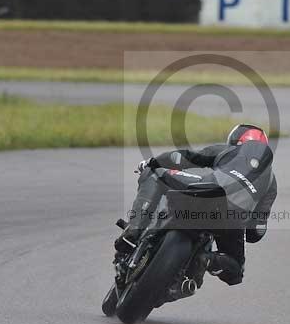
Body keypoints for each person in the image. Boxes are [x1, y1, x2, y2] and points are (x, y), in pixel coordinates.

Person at [114, 124, 277, 289]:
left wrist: (154, 162)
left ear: (235, 140)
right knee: (235, 271)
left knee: (153, 173)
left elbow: (184, 157)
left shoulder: (227, 150)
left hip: (206, 193)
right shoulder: (271, 182)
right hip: (233, 220)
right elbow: (256, 232)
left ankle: (134, 229)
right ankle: (208, 260)